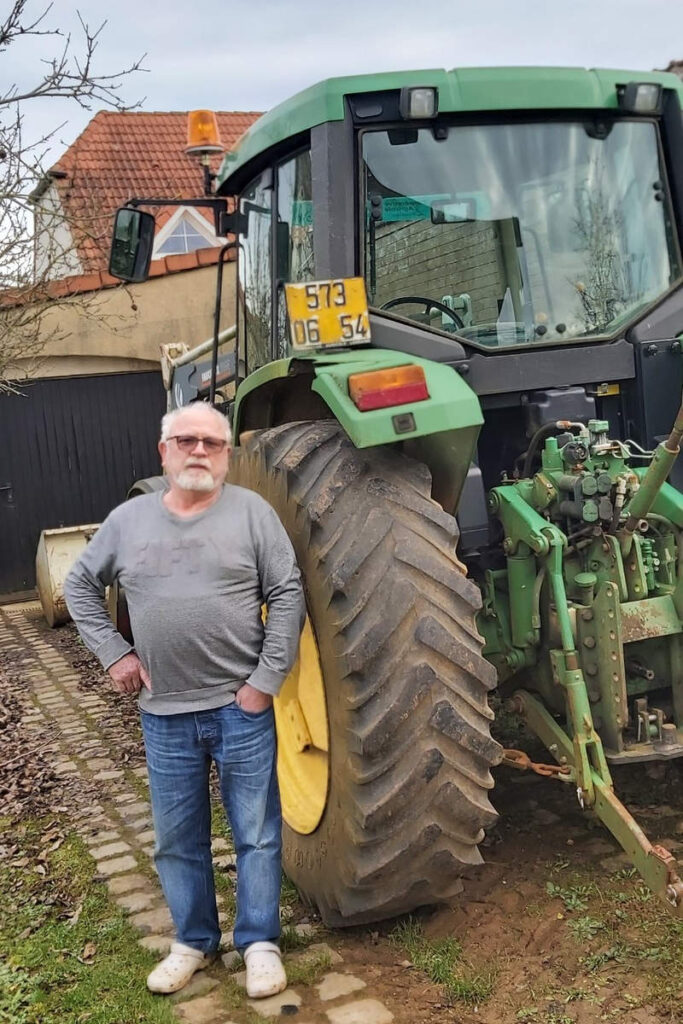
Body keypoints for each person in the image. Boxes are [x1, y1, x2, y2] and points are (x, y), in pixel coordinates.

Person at [64, 402, 305, 999]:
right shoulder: (127, 521)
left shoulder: (253, 513)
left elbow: (287, 591)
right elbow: (78, 585)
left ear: (227, 455)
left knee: (256, 831)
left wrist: (265, 683)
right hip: (165, 713)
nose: (200, 452)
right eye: (187, 441)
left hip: (239, 707)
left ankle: (258, 943)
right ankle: (194, 942)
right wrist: (114, 653)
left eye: (213, 443)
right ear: (163, 451)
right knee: (178, 837)